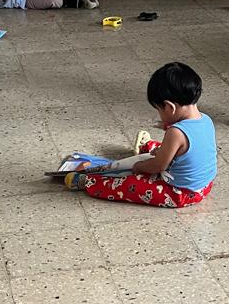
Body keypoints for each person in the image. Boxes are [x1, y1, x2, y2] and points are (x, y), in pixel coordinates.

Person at [62, 62, 216, 208]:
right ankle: (147, 147)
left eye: (159, 110)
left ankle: (88, 181)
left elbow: (158, 166)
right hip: (204, 186)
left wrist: (139, 167)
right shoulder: (206, 119)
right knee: (164, 148)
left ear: (170, 107)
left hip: (180, 193)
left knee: (128, 185)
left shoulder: (175, 133)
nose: (159, 114)